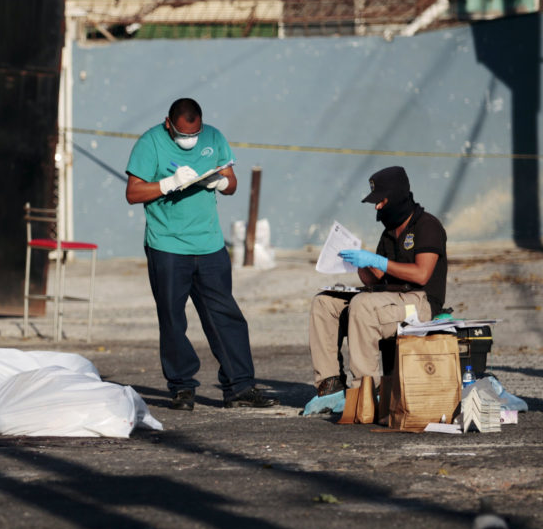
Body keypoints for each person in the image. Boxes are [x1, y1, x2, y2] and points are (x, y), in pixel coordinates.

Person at [125, 97, 278, 411]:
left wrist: (221, 182)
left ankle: (240, 386)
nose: (189, 141)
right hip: (167, 246)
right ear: (169, 124)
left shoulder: (214, 137)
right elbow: (133, 192)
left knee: (226, 317)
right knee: (172, 319)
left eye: (193, 134)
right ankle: (182, 387)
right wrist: (167, 184)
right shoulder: (149, 143)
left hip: (209, 245)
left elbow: (232, 182)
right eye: (182, 135)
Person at [310, 165, 448, 396]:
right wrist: (361, 264)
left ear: (395, 196)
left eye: (381, 201)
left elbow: (421, 274)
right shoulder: (389, 233)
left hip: (420, 302)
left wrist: (380, 262)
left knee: (362, 306)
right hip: (389, 298)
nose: (377, 207)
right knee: (324, 303)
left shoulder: (427, 226)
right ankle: (330, 385)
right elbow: (377, 280)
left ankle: (364, 393)